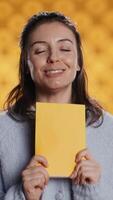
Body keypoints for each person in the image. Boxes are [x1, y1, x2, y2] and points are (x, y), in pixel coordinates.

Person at [0, 11, 113, 200]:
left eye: (65, 49)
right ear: (26, 65)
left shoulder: (109, 129)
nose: (54, 57)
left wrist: (92, 191)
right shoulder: (2, 130)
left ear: (78, 63)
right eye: (40, 50)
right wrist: (23, 195)